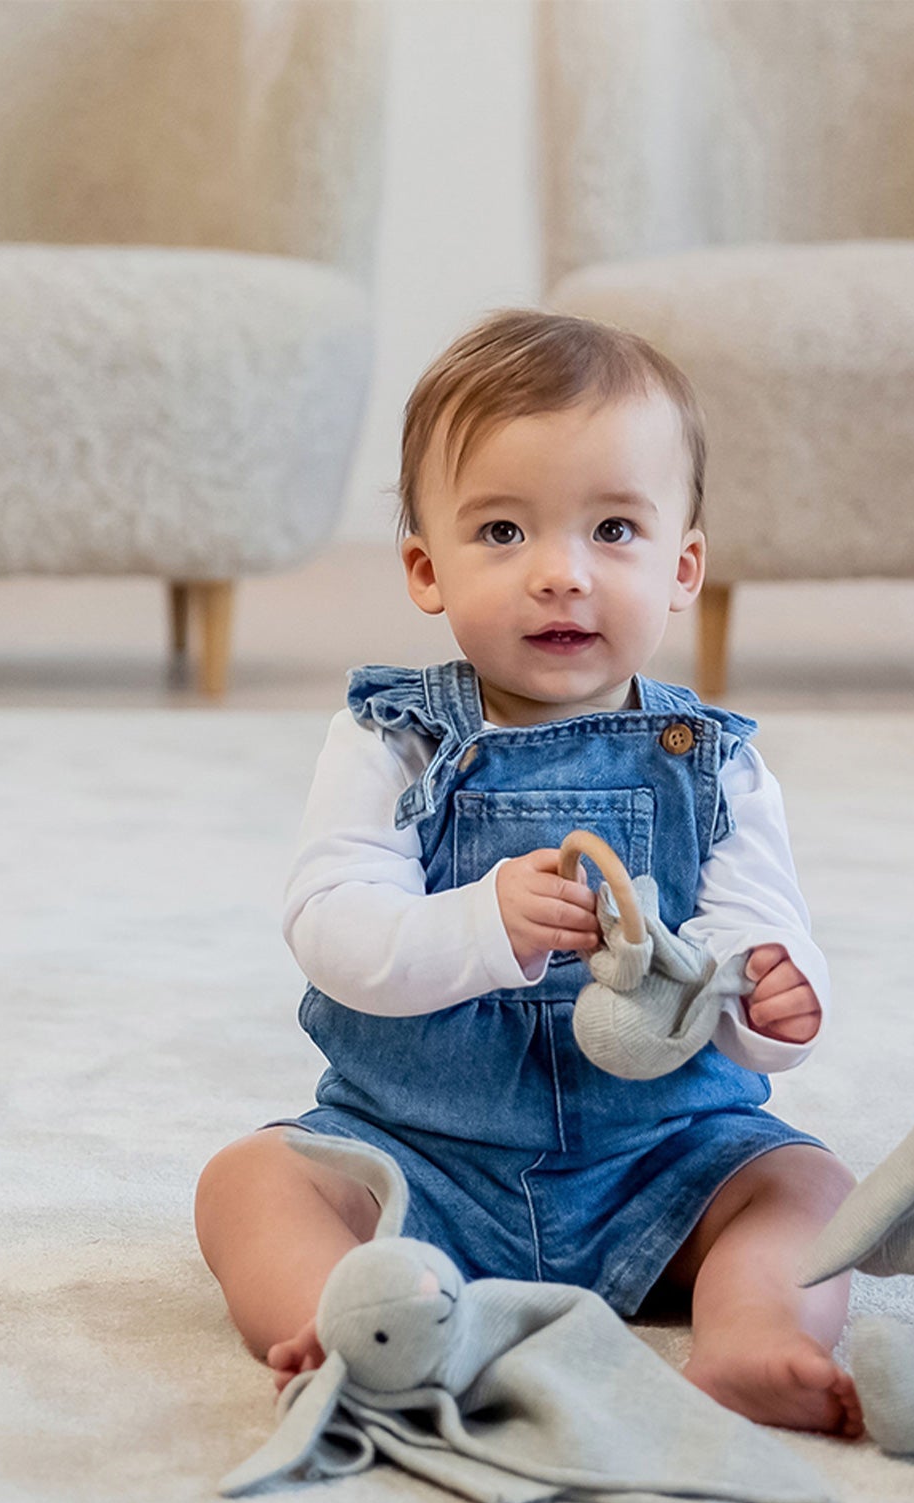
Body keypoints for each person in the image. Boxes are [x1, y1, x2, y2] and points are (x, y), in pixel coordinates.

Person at [195, 309, 861, 1436]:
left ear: (682, 564)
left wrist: (774, 996)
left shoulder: (720, 765)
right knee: (247, 1182)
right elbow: (331, 922)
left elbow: (756, 930)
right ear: (424, 567)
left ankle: (752, 1328)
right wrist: (480, 923)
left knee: (811, 1187)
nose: (560, 574)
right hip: (422, 1159)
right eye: (502, 532)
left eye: (612, 529)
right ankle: (358, 1326)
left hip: (666, 1155)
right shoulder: (391, 737)